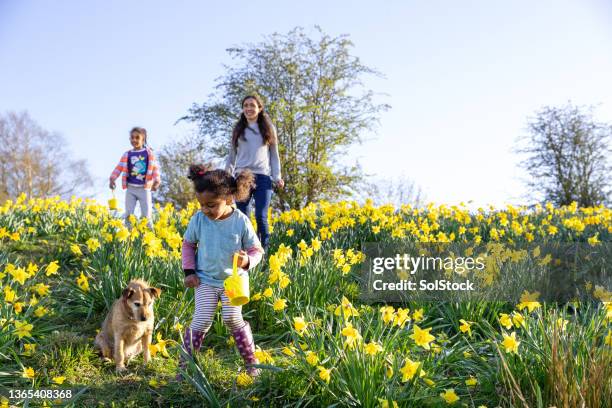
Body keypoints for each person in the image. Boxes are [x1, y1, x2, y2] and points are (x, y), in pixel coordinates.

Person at [179, 164, 265, 379]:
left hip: (233, 282)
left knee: (232, 319)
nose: (206, 210)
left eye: (211, 205)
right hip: (205, 280)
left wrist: (247, 261)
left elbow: (257, 250)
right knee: (200, 321)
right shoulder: (199, 219)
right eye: (202, 205)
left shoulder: (240, 221)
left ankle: (251, 363)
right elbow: (188, 244)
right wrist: (189, 272)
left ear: (228, 199)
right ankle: (184, 368)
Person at [226, 95, 284, 251]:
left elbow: (274, 154)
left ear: (260, 108)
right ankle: (246, 252)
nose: (249, 108)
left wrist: (277, 176)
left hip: (263, 177)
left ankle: (263, 252)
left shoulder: (268, 128)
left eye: (252, 105)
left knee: (261, 216)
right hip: (241, 177)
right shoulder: (238, 129)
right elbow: (231, 156)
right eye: (246, 105)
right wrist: (227, 176)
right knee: (243, 217)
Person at [109, 127, 161, 228]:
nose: (134, 140)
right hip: (131, 189)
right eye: (132, 138)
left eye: (137, 138)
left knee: (146, 215)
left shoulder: (148, 153)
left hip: (144, 189)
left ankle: (150, 236)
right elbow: (119, 167)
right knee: (128, 214)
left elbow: (154, 168)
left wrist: (157, 181)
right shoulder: (127, 154)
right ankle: (129, 237)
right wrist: (112, 178)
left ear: (143, 139)